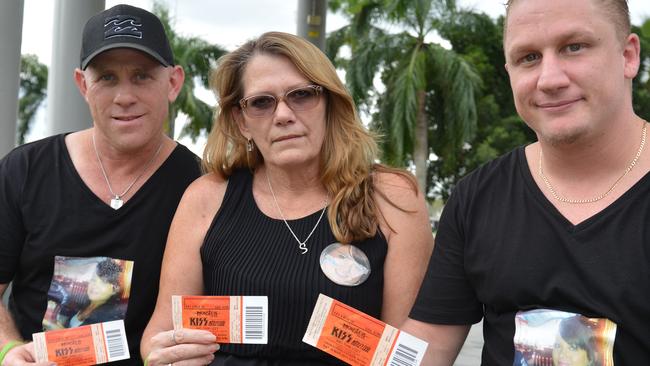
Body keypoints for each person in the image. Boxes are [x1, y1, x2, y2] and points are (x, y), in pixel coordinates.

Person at [140, 31, 434, 365]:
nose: (283, 115)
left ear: (329, 103)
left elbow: (406, 350)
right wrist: (164, 356)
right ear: (242, 120)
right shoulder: (206, 198)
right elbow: (160, 333)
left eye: (301, 95)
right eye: (261, 102)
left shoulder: (390, 198)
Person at [401, 0, 649, 364]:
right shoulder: (478, 196)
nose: (549, 79)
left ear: (628, 56)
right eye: (529, 57)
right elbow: (427, 343)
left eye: (574, 47)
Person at [0, 4, 201, 365]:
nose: (125, 96)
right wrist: (8, 349)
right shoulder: (25, 170)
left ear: (173, 83)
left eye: (141, 76)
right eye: (107, 77)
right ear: (83, 84)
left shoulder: (200, 187)